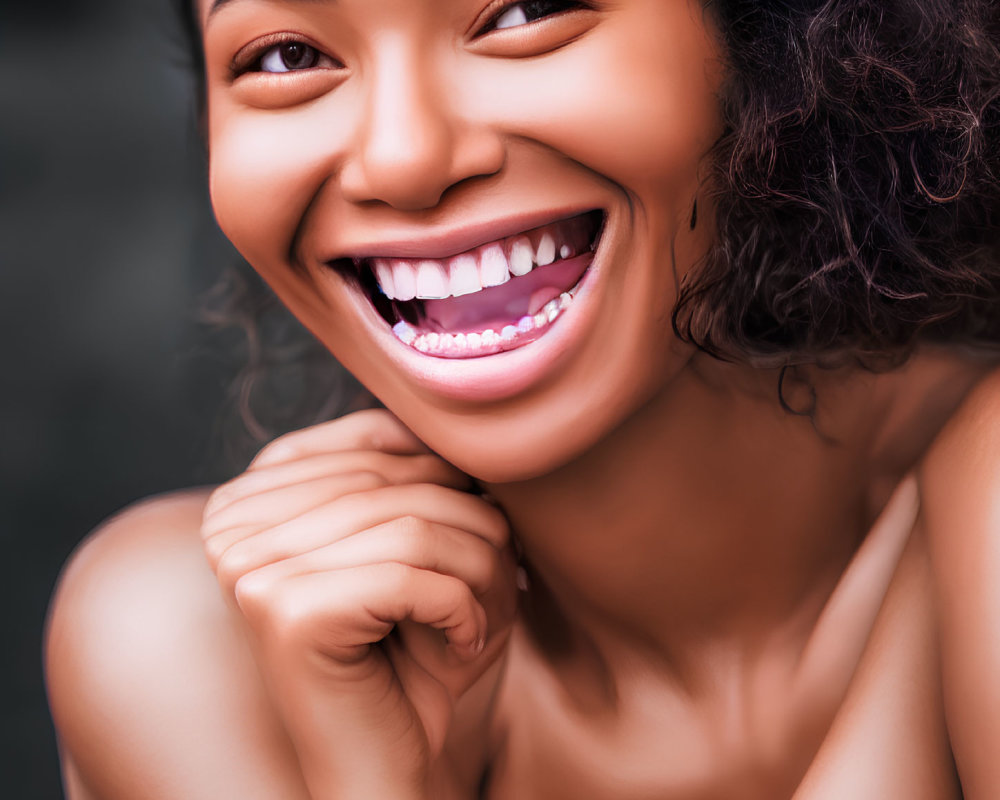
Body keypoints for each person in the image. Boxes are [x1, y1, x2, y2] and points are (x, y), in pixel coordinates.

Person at [45, 0, 1000, 797]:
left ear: (764, 39)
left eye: (523, 11)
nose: (406, 158)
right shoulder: (180, 650)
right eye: (288, 55)